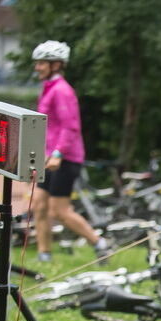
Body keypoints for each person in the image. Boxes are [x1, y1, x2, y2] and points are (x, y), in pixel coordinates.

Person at [30, 40, 108, 263]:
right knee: (39, 205)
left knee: (60, 211)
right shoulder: (48, 89)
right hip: (50, 156)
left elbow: (71, 126)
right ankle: (44, 254)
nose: (37, 67)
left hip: (65, 158)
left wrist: (57, 154)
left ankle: (99, 244)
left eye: (41, 63)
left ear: (56, 64)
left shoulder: (62, 91)